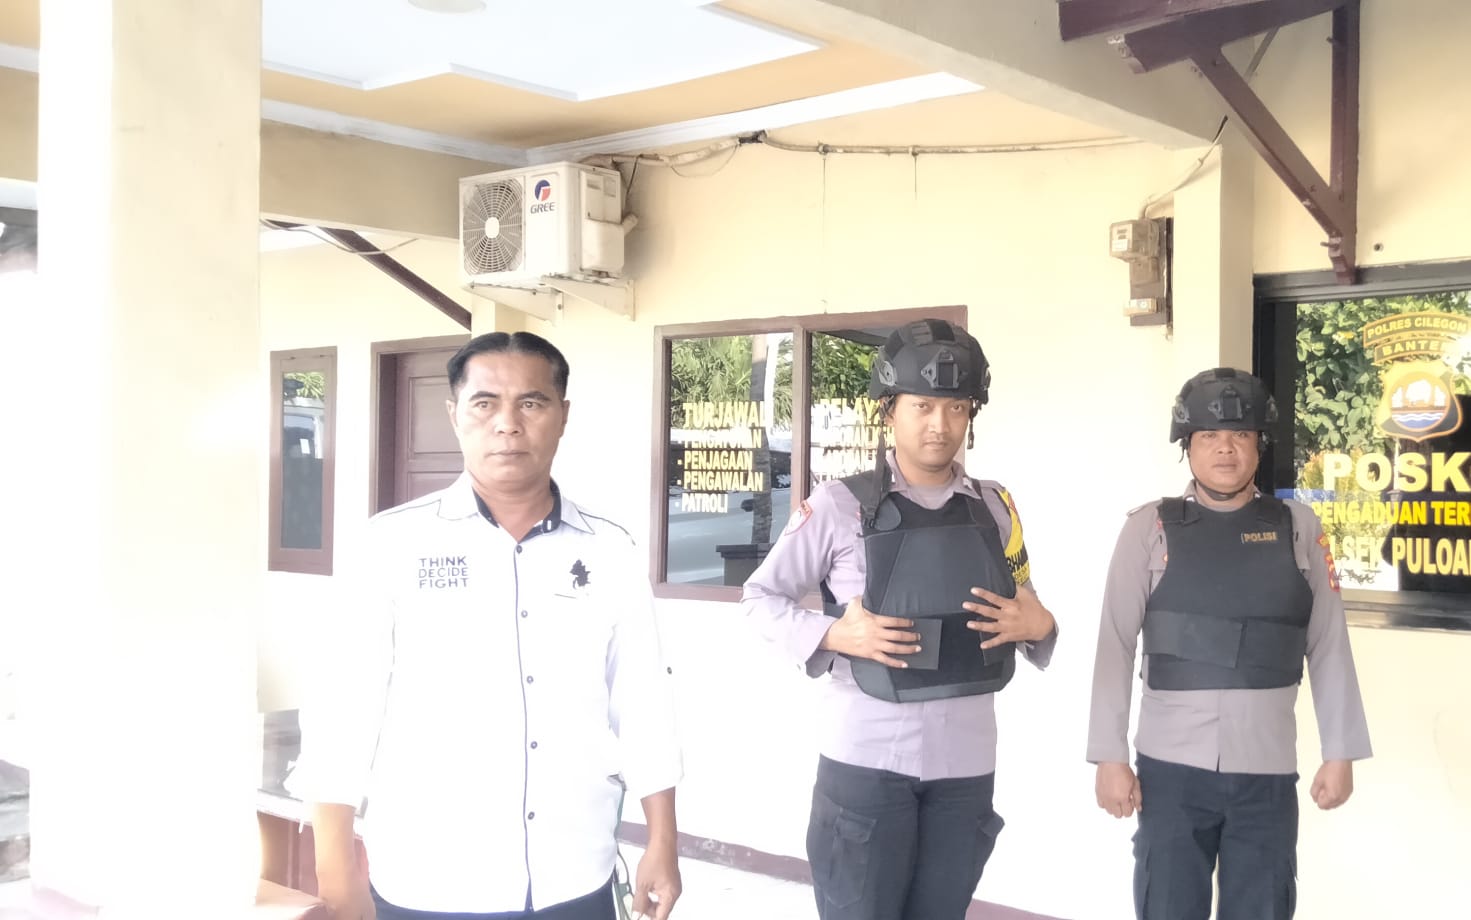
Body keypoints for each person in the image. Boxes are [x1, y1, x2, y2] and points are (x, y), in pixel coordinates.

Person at [291, 332, 683, 920]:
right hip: (431, 882)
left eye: (532, 402)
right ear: (454, 415)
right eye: (485, 403)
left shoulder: (610, 551)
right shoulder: (390, 544)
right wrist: (336, 871)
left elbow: (644, 702)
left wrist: (663, 840)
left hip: (575, 873)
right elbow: (341, 712)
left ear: (563, 415)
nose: (508, 424)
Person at [741, 318, 1059, 920]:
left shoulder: (995, 509)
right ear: (889, 410)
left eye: (957, 407)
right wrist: (833, 633)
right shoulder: (838, 506)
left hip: (965, 769)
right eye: (922, 406)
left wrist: (1040, 626)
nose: (941, 424)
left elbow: (1027, 608)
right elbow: (760, 598)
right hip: (867, 769)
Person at [1087, 367, 1373, 920]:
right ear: (1187, 446)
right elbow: (1115, 645)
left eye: (1241, 434)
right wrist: (1109, 755)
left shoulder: (1300, 528)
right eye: (1209, 435)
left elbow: (1329, 646)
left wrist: (1340, 752)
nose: (1225, 448)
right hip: (1169, 772)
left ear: (1259, 445)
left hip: (1266, 770)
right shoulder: (1148, 529)